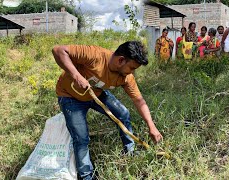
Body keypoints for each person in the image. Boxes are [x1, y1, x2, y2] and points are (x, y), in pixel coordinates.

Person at [52, 41, 163, 180]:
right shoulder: (95, 55)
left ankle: (130, 151)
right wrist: (77, 76)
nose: (132, 72)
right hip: (70, 96)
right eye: (132, 67)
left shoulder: (126, 77)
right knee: (81, 137)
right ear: (121, 60)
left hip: (96, 93)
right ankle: (87, 175)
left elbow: (139, 101)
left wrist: (151, 127)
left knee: (123, 113)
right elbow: (58, 50)